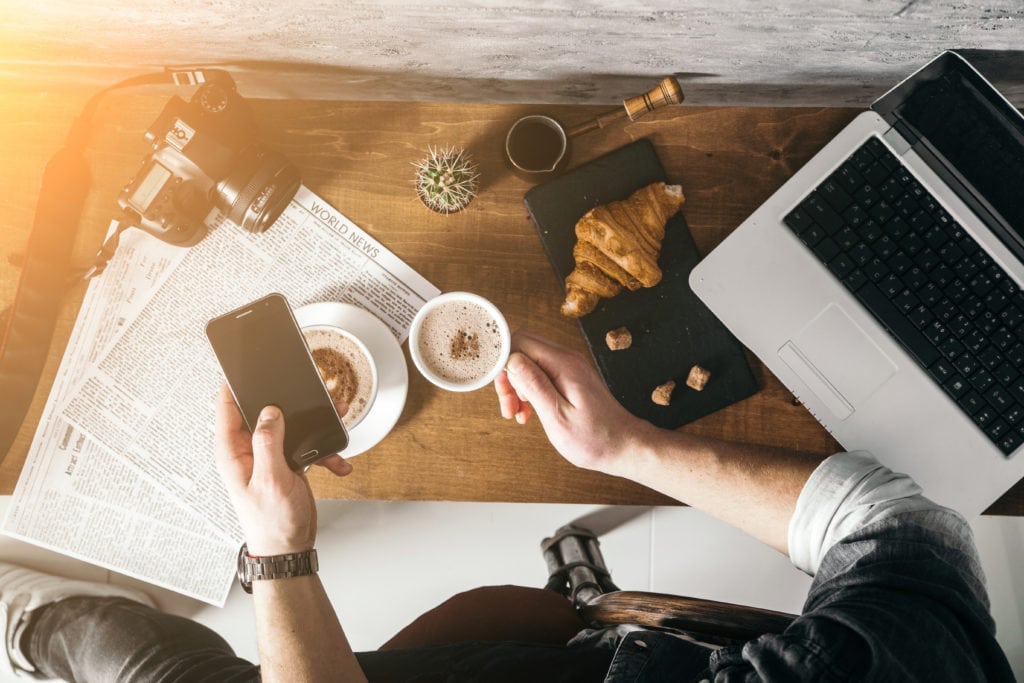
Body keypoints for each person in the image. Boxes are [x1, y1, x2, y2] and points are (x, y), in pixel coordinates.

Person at [1, 330, 1015, 681]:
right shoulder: (902, 670)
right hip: (583, 660)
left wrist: (278, 553)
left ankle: (31, 626)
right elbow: (889, 520)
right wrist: (626, 446)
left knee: (131, 654)